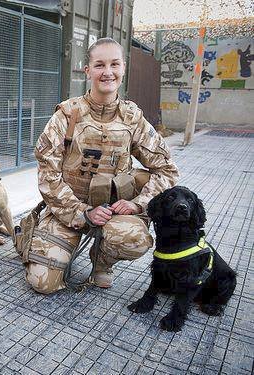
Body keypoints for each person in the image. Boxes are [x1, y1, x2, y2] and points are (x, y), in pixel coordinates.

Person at [21, 37, 179, 294]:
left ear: (123, 68)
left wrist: (138, 204)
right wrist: (82, 212)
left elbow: (167, 170)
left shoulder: (132, 119)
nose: (107, 72)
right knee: (42, 283)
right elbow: (47, 172)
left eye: (114, 64)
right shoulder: (68, 115)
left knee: (136, 240)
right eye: (99, 65)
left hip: (113, 212)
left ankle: (101, 259)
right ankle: (34, 241)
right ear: (88, 70)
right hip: (67, 208)